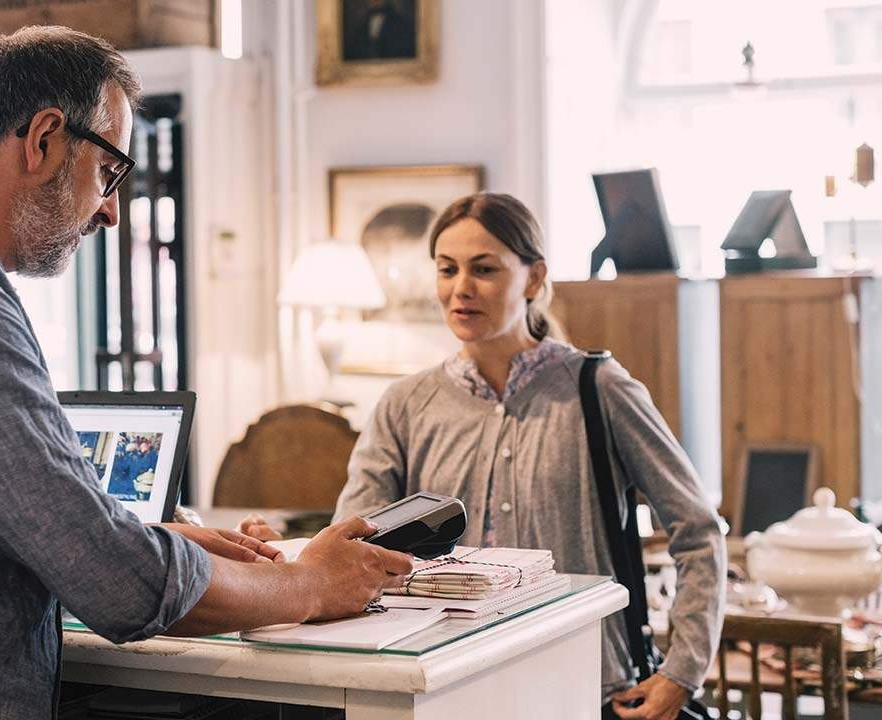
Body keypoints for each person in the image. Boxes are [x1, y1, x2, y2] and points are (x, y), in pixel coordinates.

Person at [0, 26, 413, 720]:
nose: (112, 211)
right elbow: (112, 581)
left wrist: (153, 539)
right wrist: (308, 584)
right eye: (109, 173)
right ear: (42, 140)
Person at [245, 193, 725, 719]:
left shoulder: (601, 389)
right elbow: (352, 544)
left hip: (586, 681)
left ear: (534, 279)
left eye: (484, 269)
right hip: (446, 683)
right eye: (447, 269)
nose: (460, 288)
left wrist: (683, 671)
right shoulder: (405, 405)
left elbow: (698, 530)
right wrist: (291, 553)